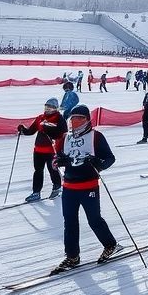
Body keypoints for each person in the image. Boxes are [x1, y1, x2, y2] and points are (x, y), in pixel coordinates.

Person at [51, 105, 118, 273]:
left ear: (87, 119)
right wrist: (58, 161)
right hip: (69, 186)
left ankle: (110, 245)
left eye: (78, 118)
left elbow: (110, 158)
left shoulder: (96, 136)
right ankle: (72, 256)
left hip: (88, 186)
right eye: (72, 118)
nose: (74, 121)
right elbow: (58, 157)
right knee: (70, 222)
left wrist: (99, 164)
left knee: (94, 219)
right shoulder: (65, 137)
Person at [17, 98, 67, 201]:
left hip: (51, 150)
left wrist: (49, 130)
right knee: (38, 171)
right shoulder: (40, 118)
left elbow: (62, 133)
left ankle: (57, 187)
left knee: (52, 170)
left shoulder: (59, 118)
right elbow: (31, 131)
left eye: (51, 107)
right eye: (47, 107)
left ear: (56, 109)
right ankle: (36, 192)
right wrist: (23, 129)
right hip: (38, 150)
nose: (48, 109)